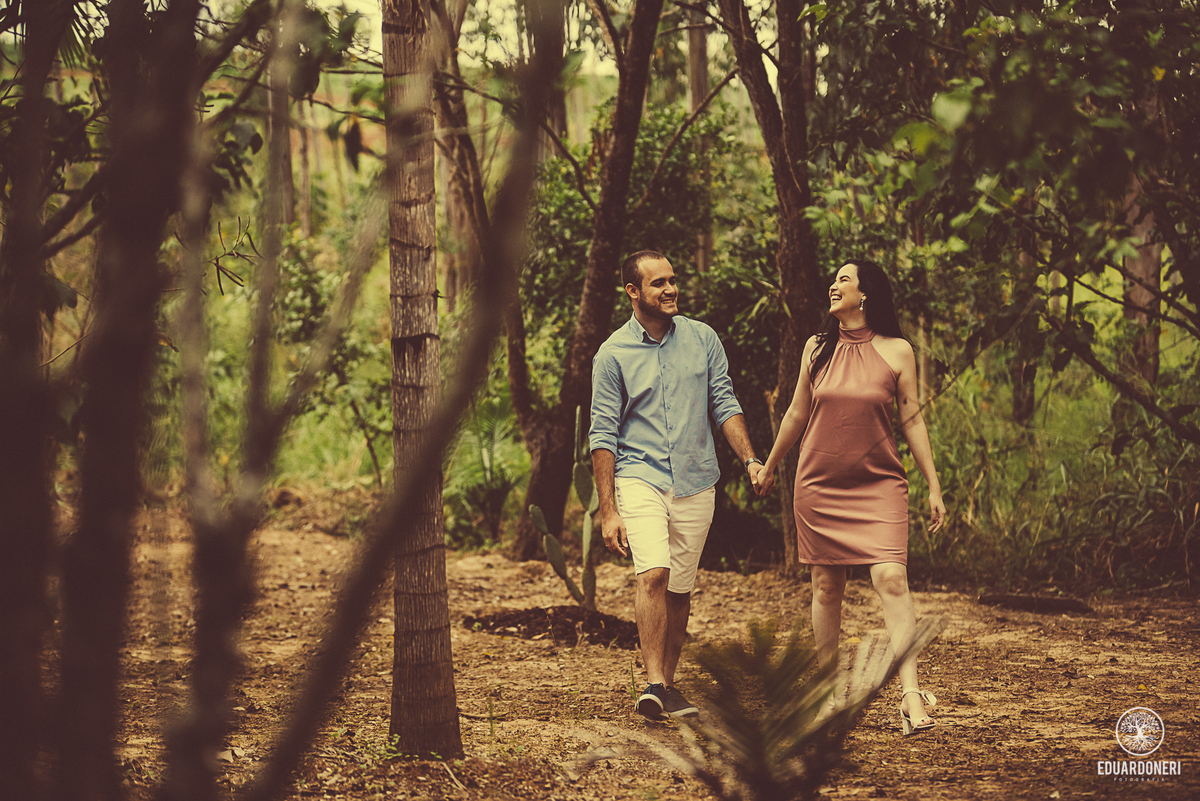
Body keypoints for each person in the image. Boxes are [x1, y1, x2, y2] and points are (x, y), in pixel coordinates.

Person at [750, 258, 946, 736]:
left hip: (880, 483)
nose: (833, 285)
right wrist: (770, 465)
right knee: (826, 588)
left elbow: (912, 419)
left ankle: (910, 696)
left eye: (844, 279)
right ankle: (828, 695)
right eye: (834, 278)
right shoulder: (816, 348)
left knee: (891, 579)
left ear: (866, 294)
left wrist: (934, 485)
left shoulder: (898, 351)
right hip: (819, 484)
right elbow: (797, 411)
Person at [589, 250, 760, 721]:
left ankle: (668, 683)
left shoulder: (703, 339)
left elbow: (723, 403)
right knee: (653, 575)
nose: (670, 289)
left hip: (696, 478)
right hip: (639, 475)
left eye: (672, 280)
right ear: (633, 292)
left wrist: (749, 459)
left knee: (680, 589)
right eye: (658, 283)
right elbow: (602, 433)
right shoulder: (612, 354)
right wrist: (609, 509)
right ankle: (654, 683)